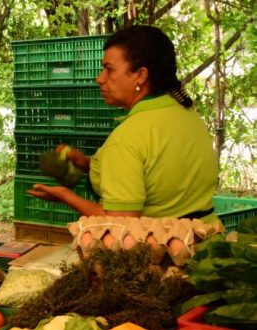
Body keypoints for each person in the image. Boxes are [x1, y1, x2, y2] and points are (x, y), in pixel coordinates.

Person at [28, 26, 219, 223]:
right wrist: (88, 164)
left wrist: (64, 195)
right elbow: (159, 171)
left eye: (109, 69)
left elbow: (122, 222)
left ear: (140, 75)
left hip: (160, 247)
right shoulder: (188, 115)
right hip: (205, 240)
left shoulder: (128, 138)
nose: (99, 78)